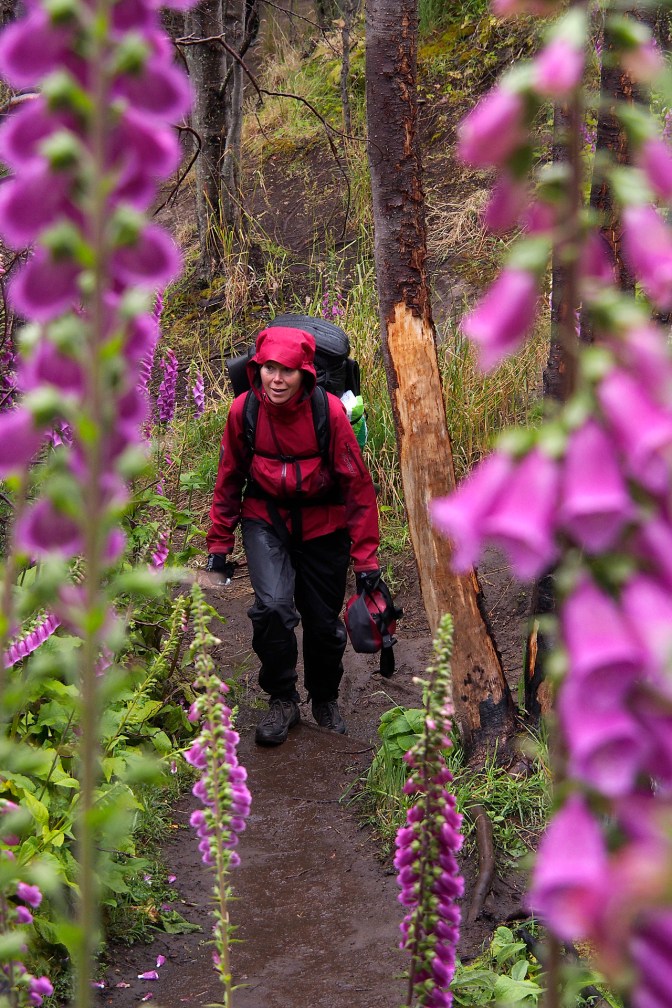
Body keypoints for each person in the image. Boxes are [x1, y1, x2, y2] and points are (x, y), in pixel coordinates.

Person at [205, 325, 382, 746]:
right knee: (271, 610)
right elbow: (229, 480)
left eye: (286, 370)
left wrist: (367, 561)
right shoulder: (243, 411)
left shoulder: (329, 413)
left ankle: (324, 697)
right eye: (269, 368)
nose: (276, 379)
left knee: (323, 624)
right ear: (257, 369)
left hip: (325, 525)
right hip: (267, 520)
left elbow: (357, 488)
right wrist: (218, 546)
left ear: (306, 373)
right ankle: (282, 698)